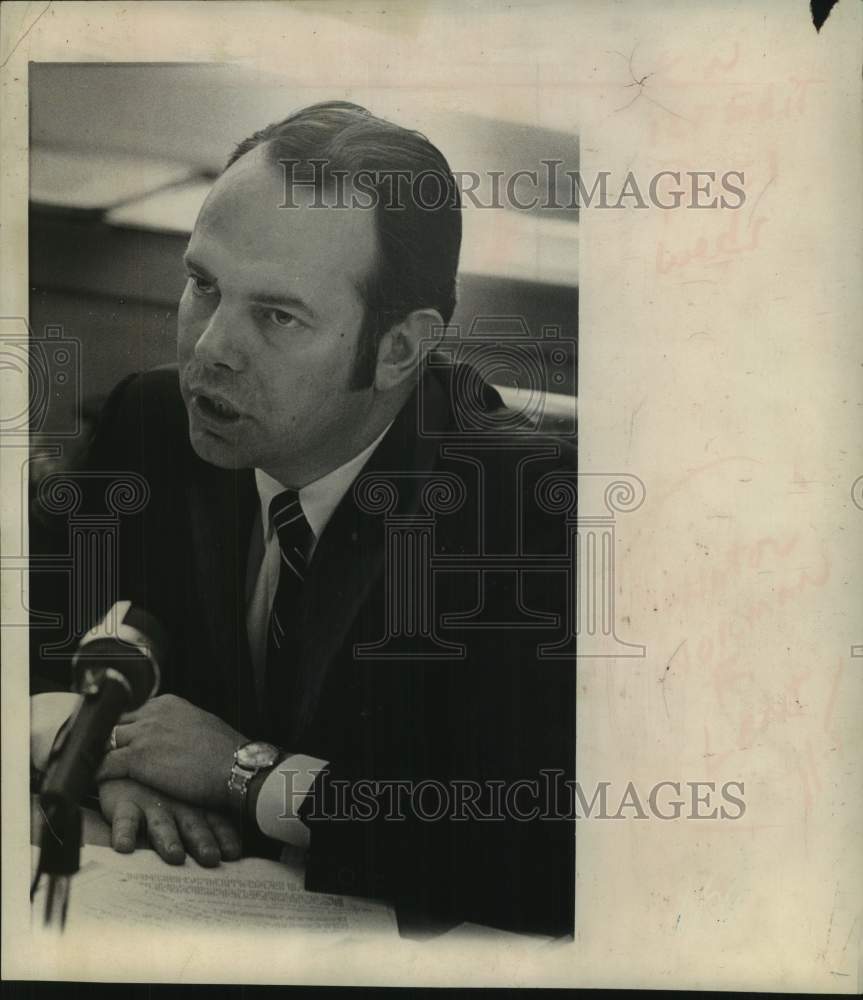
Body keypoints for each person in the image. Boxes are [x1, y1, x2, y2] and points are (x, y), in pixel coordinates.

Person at [30, 102, 576, 936]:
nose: (208, 347)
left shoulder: (525, 513)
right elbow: (30, 649)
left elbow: (547, 850)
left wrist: (249, 777)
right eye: (202, 285)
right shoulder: (148, 424)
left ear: (398, 351)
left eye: (277, 317)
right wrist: (95, 753)